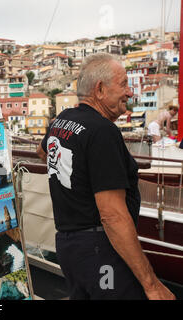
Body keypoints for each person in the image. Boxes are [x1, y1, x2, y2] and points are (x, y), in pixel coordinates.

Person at [36, 53, 175, 300]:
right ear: (100, 89)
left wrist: (76, 172)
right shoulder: (102, 132)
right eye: (123, 85)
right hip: (99, 251)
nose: (129, 93)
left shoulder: (63, 119)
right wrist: (151, 285)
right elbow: (112, 215)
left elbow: (42, 150)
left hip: (69, 248)